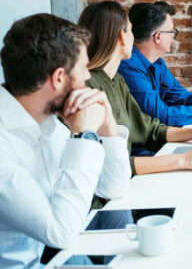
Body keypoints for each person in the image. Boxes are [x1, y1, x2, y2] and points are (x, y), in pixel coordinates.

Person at [0, 14, 130, 268]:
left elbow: (114, 188)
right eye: (83, 68)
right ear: (59, 78)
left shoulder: (48, 121)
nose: (87, 79)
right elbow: (61, 233)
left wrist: (107, 124)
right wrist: (83, 135)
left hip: (52, 257)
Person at [78, 1, 192, 176]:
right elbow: (105, 167)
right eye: (130, 29)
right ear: (121, 37)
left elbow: (150, 129)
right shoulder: (89, 88)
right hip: (114, 188)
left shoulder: (116, 80)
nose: (134, 37)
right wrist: (185, 159)